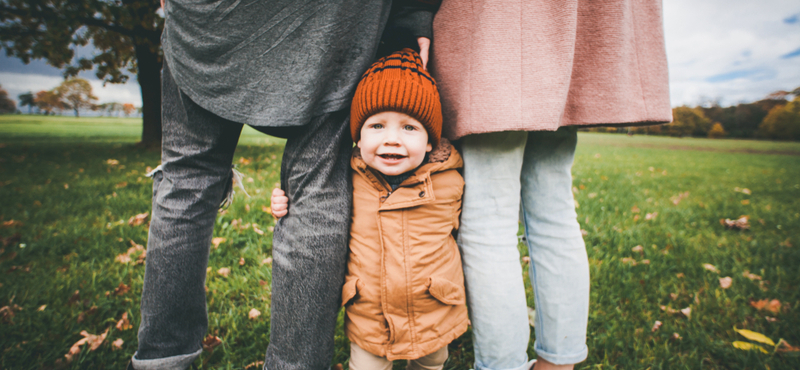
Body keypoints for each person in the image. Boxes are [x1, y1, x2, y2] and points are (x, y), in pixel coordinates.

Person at [130, 1, 440, 370]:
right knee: (315, 190)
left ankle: (161, 362)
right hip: (334, 20)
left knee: (187, 180)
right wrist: (414, 12)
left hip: (217, 20)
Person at [429, 1, 673, 370]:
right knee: (554, 212)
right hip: (570, 25)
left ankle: (503, 365)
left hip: (501, 27)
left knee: (489, 224)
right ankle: (559, 362)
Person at [271, 49, 468, 370]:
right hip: (369, 315)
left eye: (410, 128)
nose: (392, 139)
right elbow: (313, 208)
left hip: (433, 309)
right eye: (377, 126)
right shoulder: (346, 176)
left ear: (431, 141)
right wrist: (283, 204)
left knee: (432, 362)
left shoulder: (450, 179)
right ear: (358, 138)